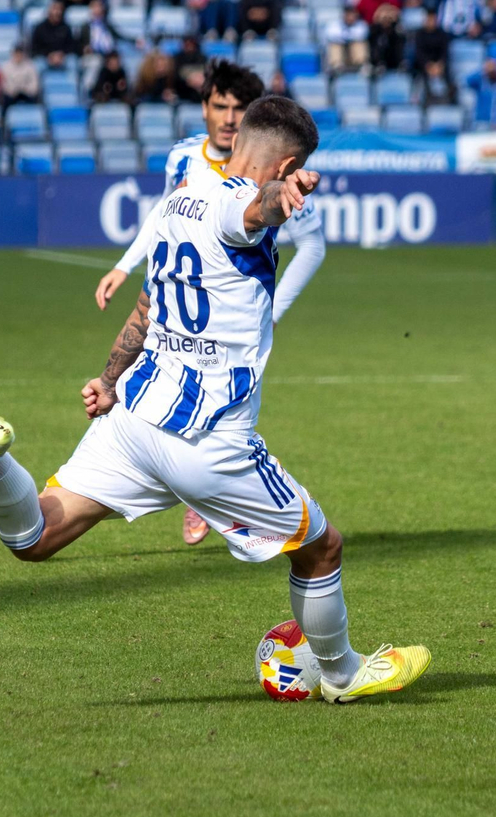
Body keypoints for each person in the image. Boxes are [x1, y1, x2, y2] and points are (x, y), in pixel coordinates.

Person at [0, 96, 428, 705]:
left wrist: (107, 377)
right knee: (321, 546)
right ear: (286, 165)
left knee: (37, 537)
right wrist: (274, 201)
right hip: (205, 439)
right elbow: (252, 210)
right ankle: (342, 674)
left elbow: (147, 306)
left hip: (133, 417)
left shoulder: (180, 198)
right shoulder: (242, 202)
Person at [91, 64, 325, 545]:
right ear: (206, 109)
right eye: (220, 105)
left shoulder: (252, 186)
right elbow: (241, 210)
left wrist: (270, 308)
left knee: (36, 536)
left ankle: (191, 493)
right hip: (201, 393)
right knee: (321, 545)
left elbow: (274, 214)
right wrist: (127, 263)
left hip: (161, 369)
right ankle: (200, 494)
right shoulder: (192, 168)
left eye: (239, 109)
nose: (228, 116)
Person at [467, 57, 496, 128]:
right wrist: (483, 70)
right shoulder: (481, 84)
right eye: (490, 67)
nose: (492, 70)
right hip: (483, 123)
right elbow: (468, 81)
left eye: (494, 67)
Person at [30, 0, 79, 68]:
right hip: (45, 58)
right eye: (55, 9)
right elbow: (35, 48)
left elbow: (71, 46)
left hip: (63, 57)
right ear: (49, 11)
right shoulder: (40, 28)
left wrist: (61, 55)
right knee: (38, 64)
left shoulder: (66, 27)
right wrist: (49, 55)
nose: (57, 12)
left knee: (72, 61)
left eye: (59, 9)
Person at [323, 6, 369, 71]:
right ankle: (337, 67)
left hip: (353, 55)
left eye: (352, 15)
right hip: (342, 54)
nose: (350, 17)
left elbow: (362, 35)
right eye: (348, 15)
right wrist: (348, 38)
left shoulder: (361, 25)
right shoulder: (334, 25)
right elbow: (331, 36)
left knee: (359, 44)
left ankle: (363, 66)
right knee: (335, 45)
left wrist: (344, 38)